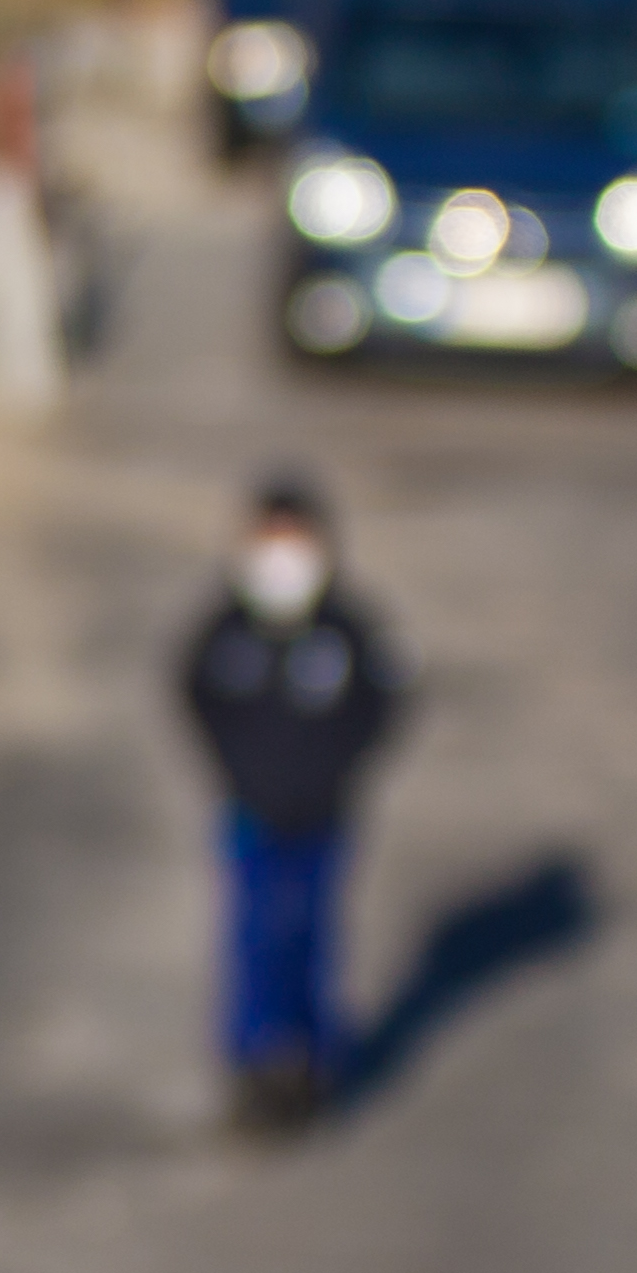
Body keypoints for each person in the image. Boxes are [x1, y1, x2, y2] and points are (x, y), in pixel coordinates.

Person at [176, 471, 403, 1132]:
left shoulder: (345, 631)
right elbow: (193, 696)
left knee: (311, 934)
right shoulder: (225, 632)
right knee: (251, 938)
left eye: (294, 539)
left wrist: (340, 769)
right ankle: (252, 1068)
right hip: (250, 814)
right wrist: (232, 771)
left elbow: (382, 705)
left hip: (324, 815)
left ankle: (309, 1063)